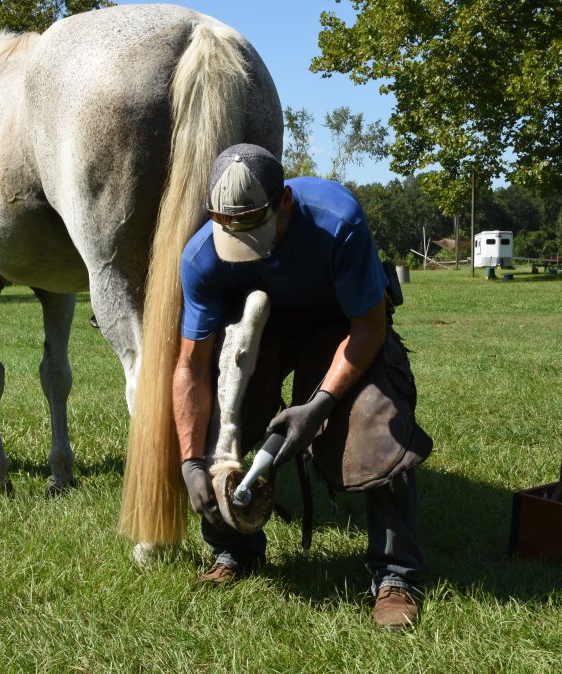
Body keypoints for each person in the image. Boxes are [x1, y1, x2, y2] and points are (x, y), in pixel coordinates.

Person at [174, 144, 433, 630]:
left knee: (380, 418)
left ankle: (395, 574)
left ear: (285, 202)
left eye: (257, 234)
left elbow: (369, 328)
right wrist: (191, 461)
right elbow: (192, 365)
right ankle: (234, 548)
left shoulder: (338, 221)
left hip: (340, 321)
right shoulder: (202, 255)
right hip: (261, 325)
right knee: (215, 414)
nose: (247, 250)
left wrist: (319, 406)